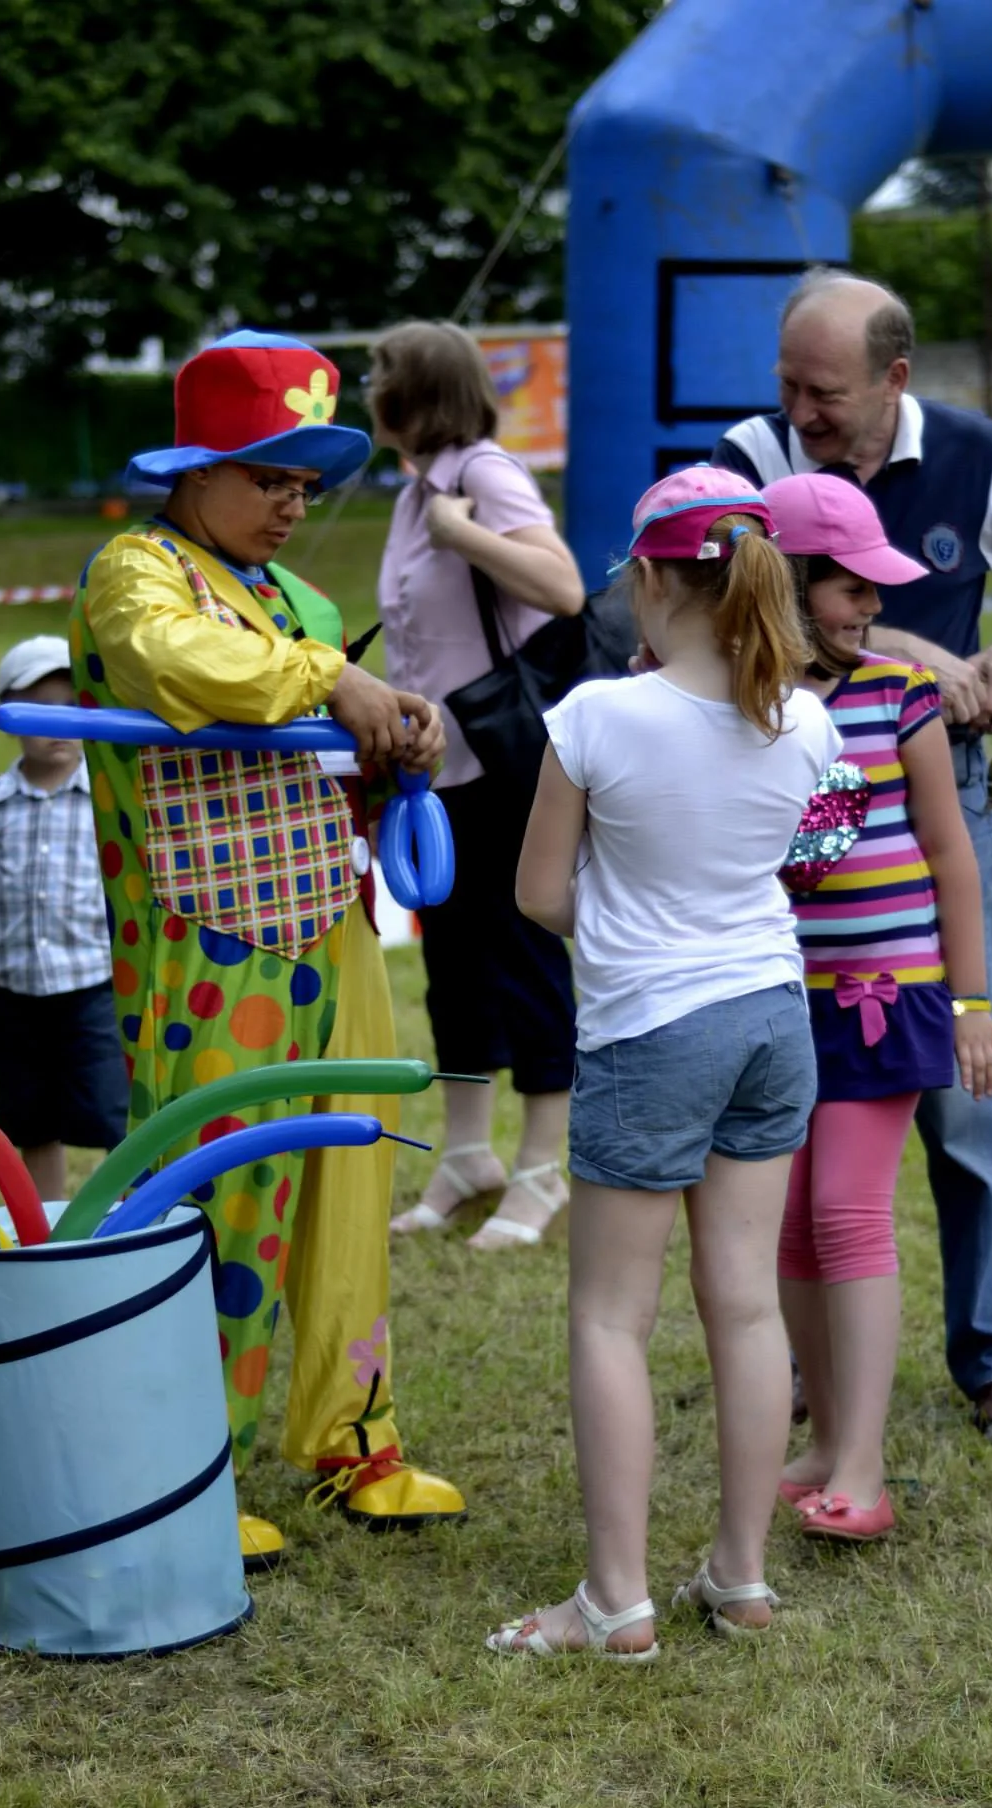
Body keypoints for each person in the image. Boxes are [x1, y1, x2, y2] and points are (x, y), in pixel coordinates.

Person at [72, 328, 465, 1567]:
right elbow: (187, 668)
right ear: (193, 470)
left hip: (327, 920)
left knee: (352, 1172)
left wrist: (398, 735)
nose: (291, 504)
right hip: (205, 947)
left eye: (305, 482)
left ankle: (352, 1432)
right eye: (267, 476)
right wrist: (330, 682)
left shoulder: (303, 601)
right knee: (222, 1192)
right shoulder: (132, 573)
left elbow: (317, 727)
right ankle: (192, 1457)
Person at [713, 269, 992, 1443]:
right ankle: (781, 1355)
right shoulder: (745, 456)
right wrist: (909, 649)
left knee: (961, 1094)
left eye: (821, 390)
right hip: (779, 819)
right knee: (774, 1098)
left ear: (895, 378)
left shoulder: (974, 449)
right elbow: (709, 605)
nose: (798, 410)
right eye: (786, 383)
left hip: (938, 807)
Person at [486, 469, 838, 1660]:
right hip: (770, 1018)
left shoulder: (594, 716)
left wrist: (626, 920)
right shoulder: (806, 716)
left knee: (608, 1317)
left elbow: (539, 895)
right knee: (743, 1303)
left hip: (650, 1030)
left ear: (645, 577)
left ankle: (613, 1599)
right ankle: (739, 1578)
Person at [763, 472, 992, 1541]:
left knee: (845, 1215)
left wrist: (970, 1001)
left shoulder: (896, 694)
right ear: (782, 583)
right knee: (787, 1226)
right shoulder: (747, 705)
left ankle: (859, 1463)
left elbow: (951, 855)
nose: (869, 606)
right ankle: (819, 1441)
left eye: (874, 588)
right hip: (776, 1006)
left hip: (884, 1000)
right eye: (849, 587)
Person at [370, 322, 584, 1250]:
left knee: (522, 957)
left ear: (414, 388)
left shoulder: (479, 474)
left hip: (503, 764)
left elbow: (566, 587)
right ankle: (467, 1156)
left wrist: (463, 531)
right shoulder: (416, 487)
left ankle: (543, 1166)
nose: (364, 387)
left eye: (378, 373)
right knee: (453, 965)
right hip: (435, 771)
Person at [0, 637, 129, 1201]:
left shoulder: (107, 798)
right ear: (8, 716)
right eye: (40, 709)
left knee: (112, 1115)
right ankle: (46, 1225)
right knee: (31, 1119)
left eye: (69, 707)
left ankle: (133, 1219)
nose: (58, 724)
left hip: (91, 988)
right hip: (15, 996)